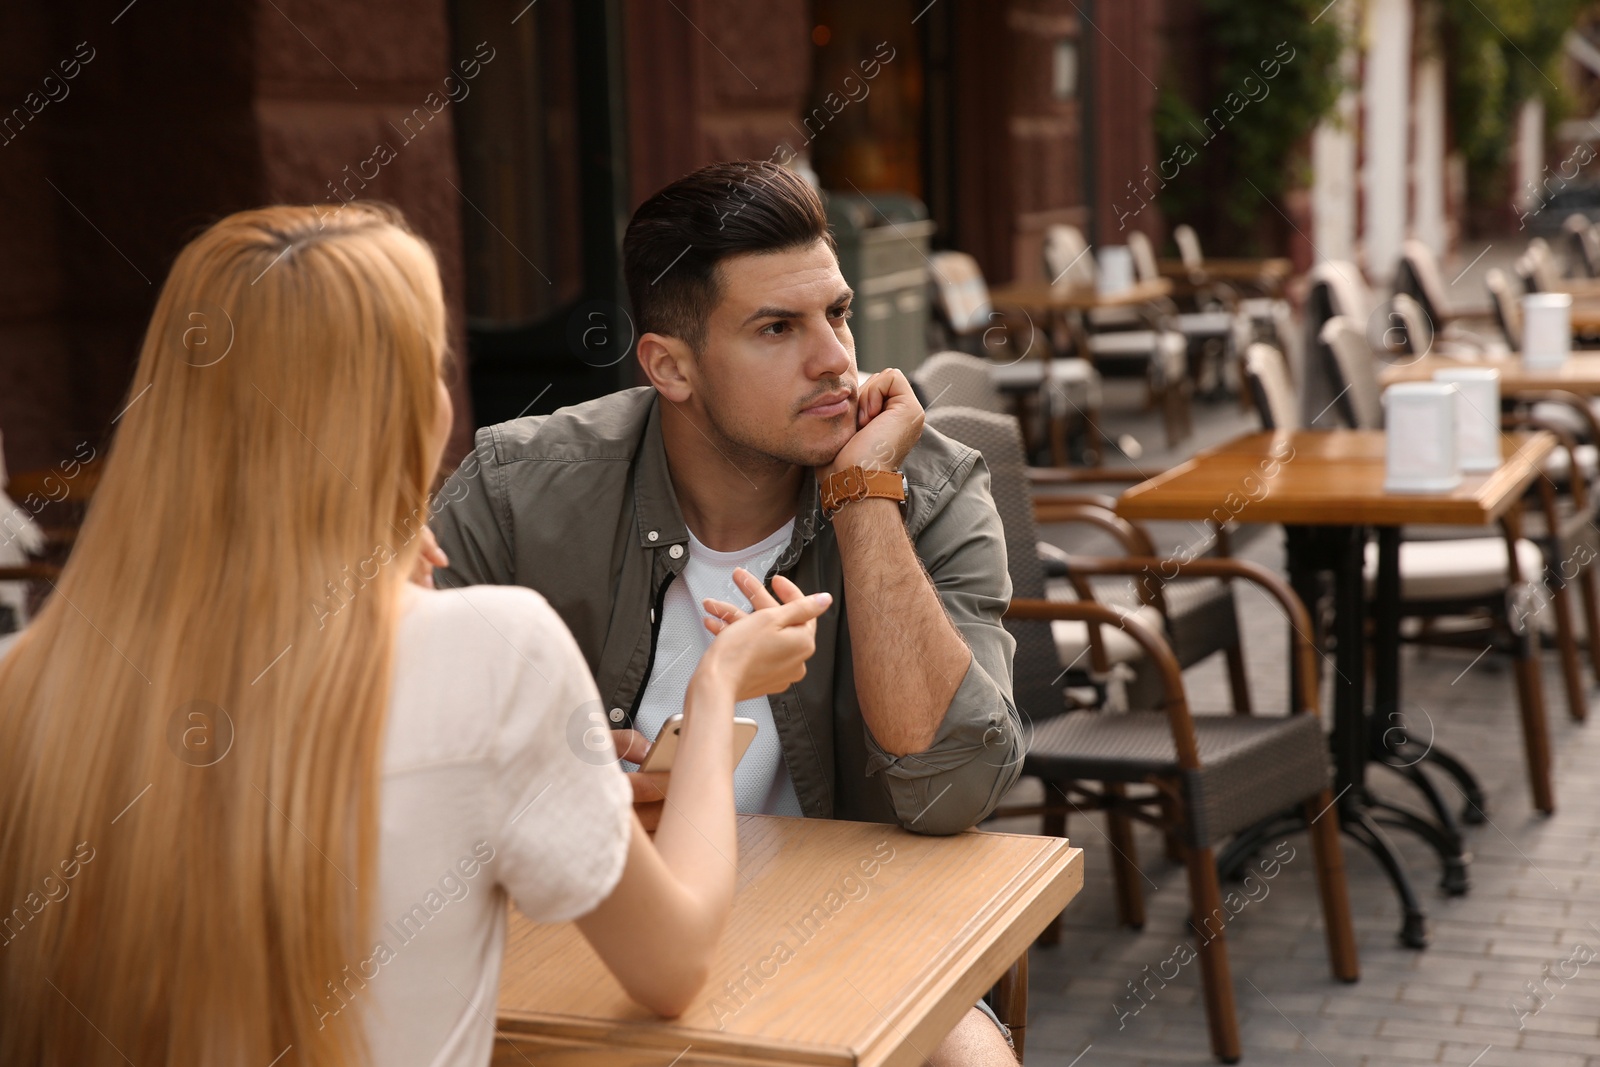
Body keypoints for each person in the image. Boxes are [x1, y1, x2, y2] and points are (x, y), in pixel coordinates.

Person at [0, 203, 829, 1067]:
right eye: (432, 364)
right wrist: (718, 681)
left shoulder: (28, 681)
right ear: (397, 411)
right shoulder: (494, 653)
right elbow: (676, 959)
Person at [429, 160, 1023, 1064]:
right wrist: (557, 781)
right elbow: (386, 737)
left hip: (847, 939)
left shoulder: (928, 486)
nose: (835, 358)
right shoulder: (518, 491)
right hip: (591, 942)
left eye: (839, 313)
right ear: (670, 365)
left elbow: (954, 789)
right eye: (777, 327)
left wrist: (863, 496)